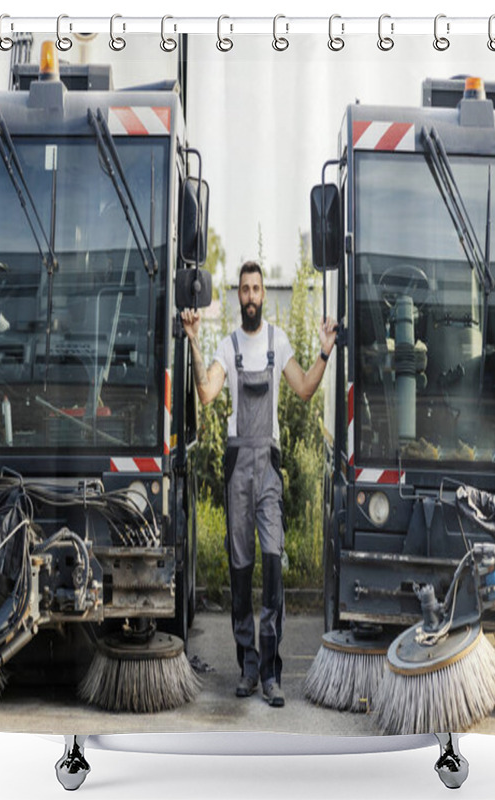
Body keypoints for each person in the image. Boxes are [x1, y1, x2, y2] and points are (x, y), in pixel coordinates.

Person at [181, 261, 337, 707]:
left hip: (267, 466)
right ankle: (247, 666)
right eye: (244, 290)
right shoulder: (228, 347)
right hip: (237, 468)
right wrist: (194, 342)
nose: (250, 296)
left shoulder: (277, 340)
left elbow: (305, 389)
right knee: (240, 568)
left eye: (256, 289)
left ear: (264, 295)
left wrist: (324, 352)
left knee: (271, 563)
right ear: (238, 297)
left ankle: (271, 672)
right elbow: (207, 393)